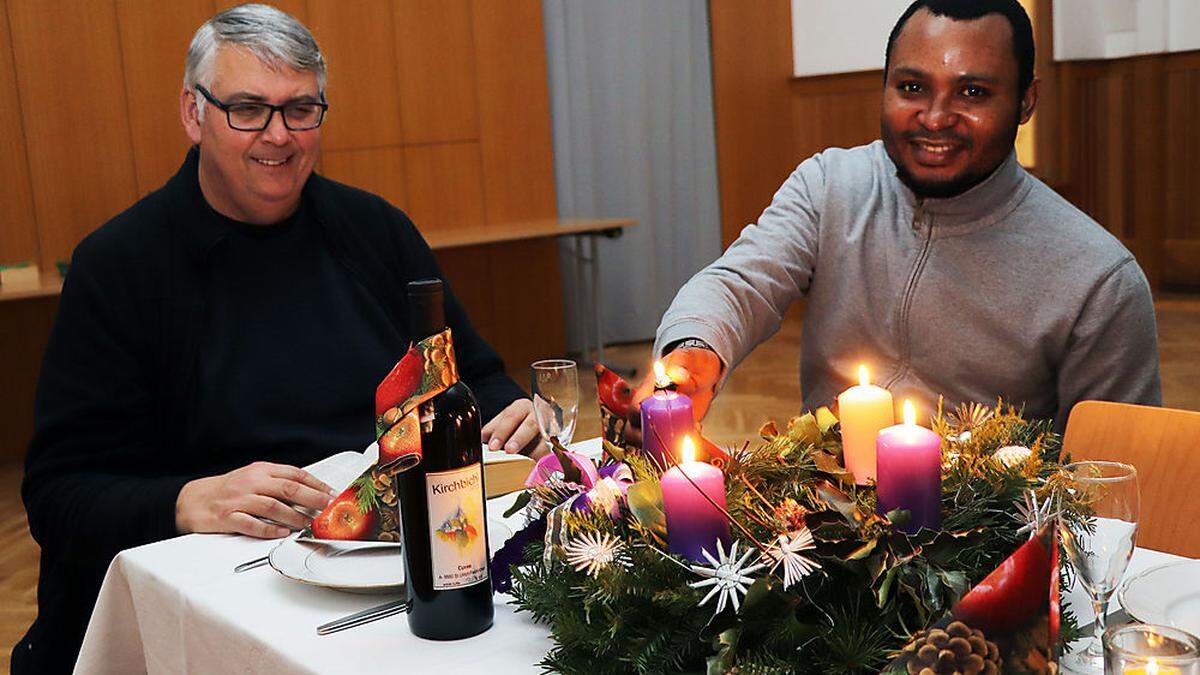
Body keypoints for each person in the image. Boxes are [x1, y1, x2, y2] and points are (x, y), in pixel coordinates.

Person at [13, 5, 540, 673]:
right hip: (213, 600)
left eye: (300, 109)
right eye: (247, 109)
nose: (279, 135)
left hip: (388, 584)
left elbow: (477, 377)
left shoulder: (375, 231)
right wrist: (184, 499)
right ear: (192, 113)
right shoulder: (120, 267)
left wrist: (512, 412)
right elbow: (59, 495)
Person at [638, 0, 1161, 431]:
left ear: (1026, 102)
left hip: (992, 546)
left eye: (972, 93)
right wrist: (693, 352)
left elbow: (1114, 476)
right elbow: (740, 282)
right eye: (912, 88)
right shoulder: (830, 186)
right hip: (813, 525)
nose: (935, 119)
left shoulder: (1097, 279)